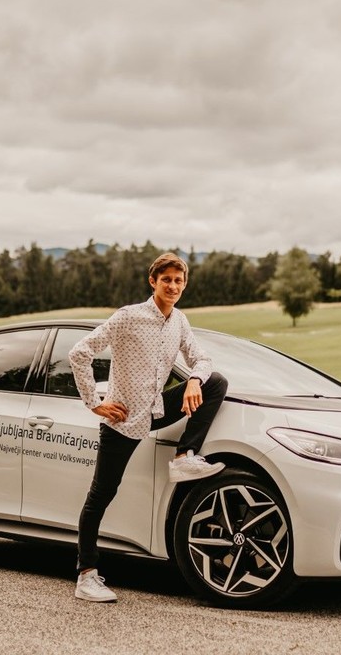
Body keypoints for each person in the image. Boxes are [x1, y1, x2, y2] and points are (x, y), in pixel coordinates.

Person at [68, 251, 228, 603]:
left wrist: (193, 381)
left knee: (215, 382)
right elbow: (80, 353)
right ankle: (86, 575)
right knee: (101, 495)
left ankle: (185, 456)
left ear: (185, 285)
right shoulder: (128, 316)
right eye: (166, 280)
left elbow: (202, 358)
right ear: (153, 281)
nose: (173, 286)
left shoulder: (179, 321)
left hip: (156, 410)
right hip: (123, 419)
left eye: (178, 281)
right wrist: (95, 403)